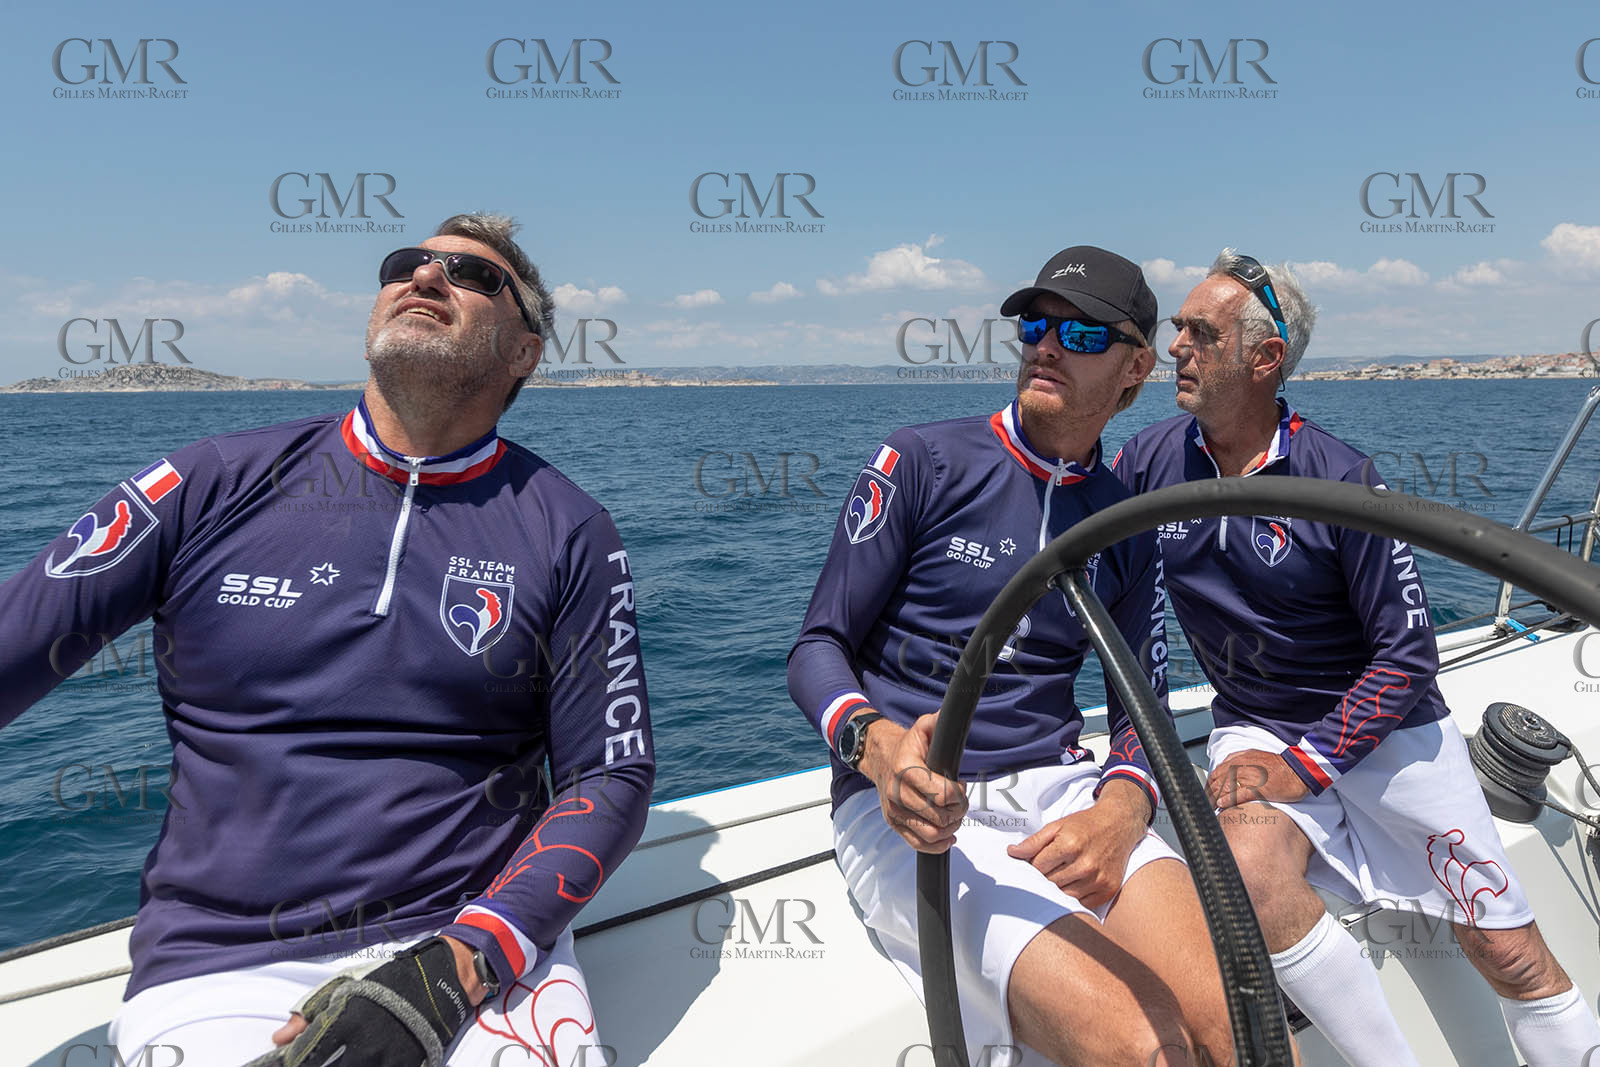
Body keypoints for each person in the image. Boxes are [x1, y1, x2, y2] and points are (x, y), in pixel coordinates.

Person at [0, 214, 653, 1066]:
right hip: (222, 962)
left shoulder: (568, 531)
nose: (424, 277)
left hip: (470, 940)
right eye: (406, 264)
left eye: (470, 274)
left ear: (524, 352)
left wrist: (466, 957)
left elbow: (610, 772)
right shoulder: (204, 484)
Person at [1112, 249, 1600, 1067]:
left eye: (1201, 330)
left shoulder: (1342, 478)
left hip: (1387, 728)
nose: (1176, 346)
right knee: (1246, 872)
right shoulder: (1150, 463)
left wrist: (1304, 765)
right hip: (1256, 721)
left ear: (1265, 359)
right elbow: (1095, 572)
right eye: (1178, 327)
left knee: (1507, 949)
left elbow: (1407, 657)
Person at [788, 247, 1237, 1066]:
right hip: (908, 802)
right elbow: (818, 647)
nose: (1045, 344)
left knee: (1237, 1021)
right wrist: (877, 747)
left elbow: (1145, 706)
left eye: (1080, 331)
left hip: (1062, 789)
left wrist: (1122, 806)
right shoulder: (920, 462)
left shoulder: (1123, 519)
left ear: (1136, 367)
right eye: (1034, 323)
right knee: (1148, 1046)